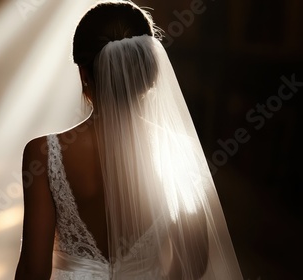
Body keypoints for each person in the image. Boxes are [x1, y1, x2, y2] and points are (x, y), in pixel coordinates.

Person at [15, 1, 243, 279]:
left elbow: (33, 271)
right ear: (151, 74)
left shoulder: (43, 153)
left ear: (84, 75)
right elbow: (195, 259)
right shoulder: (177, 150)